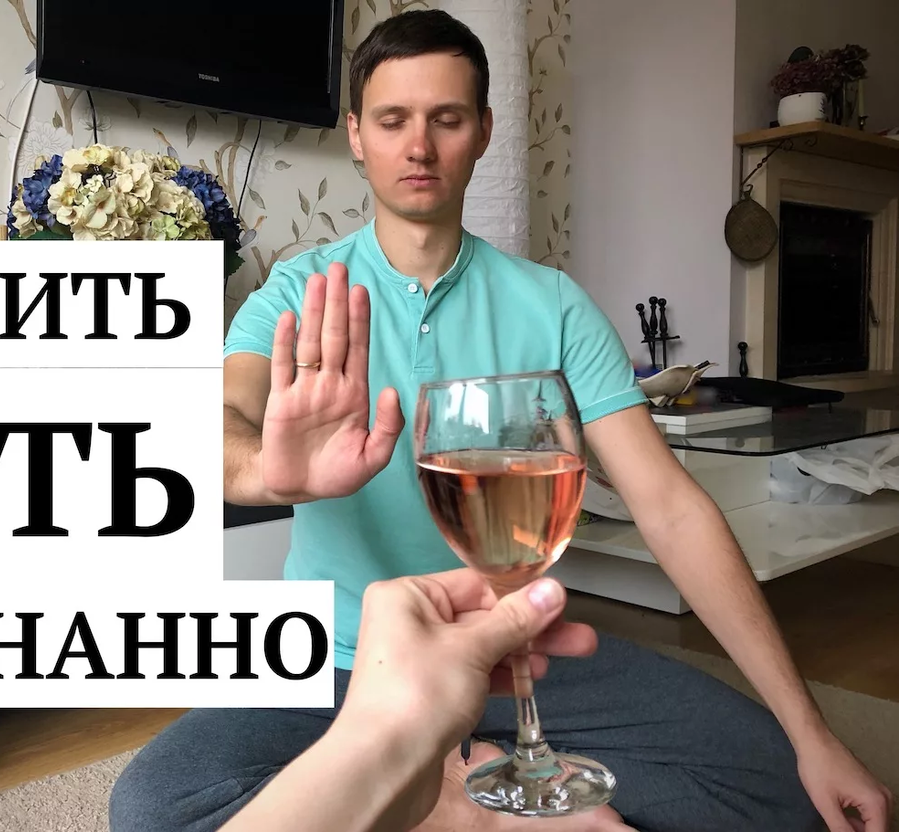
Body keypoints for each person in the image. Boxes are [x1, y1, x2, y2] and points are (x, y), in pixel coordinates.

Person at [110, 9, 892, 832]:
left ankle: (454, 776)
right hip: (338, 662)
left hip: (518, 653)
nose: (419, 146)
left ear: (482, 132)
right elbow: (218, 416)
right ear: (356, 135)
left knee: (787, 790)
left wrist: (811, 731)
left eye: (446, 119)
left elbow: (669, 506)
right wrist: (269, 473)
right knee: (156, 807)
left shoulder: (554, 305)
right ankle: (465, 803)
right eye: (393, 120)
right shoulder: (302, 292)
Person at [218, 571, 601, 832]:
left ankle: (427, 787)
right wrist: (393, 742)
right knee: (182, 798)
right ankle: (456, 804)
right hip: (320, 650)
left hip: (510, 653)